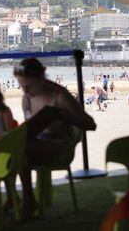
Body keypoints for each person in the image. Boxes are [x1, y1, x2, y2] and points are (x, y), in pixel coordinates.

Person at [13, 58, 96, 219]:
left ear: (41, 78)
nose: (25, 91)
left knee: (18, 150)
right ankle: (21, 199)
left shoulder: (59, 95)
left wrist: (64, 116)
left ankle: (26, 201)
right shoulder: (27, 98)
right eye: (22, 87)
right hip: (37, 144)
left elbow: (90, 125)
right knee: (14, 149)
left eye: (28, 86)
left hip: (61, 146)